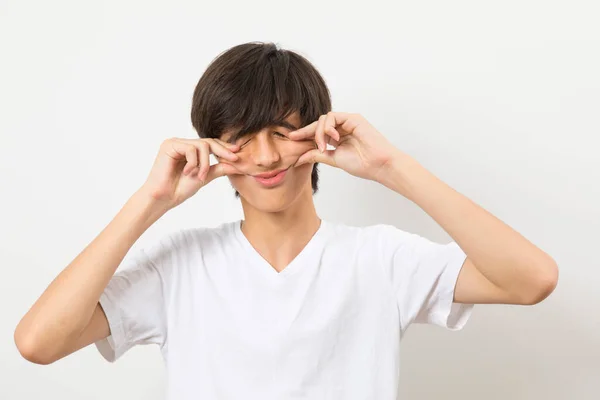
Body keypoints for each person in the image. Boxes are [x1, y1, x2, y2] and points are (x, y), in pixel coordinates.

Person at [14, 42, 558, 399]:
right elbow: (39, 342)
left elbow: (532, 279)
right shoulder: (178, 266)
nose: (268, 157)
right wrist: (151, 201)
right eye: (241, 139)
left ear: (318, 134)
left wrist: (393, 168)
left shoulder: (381, 259)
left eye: (281, 131)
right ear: (212, 149)